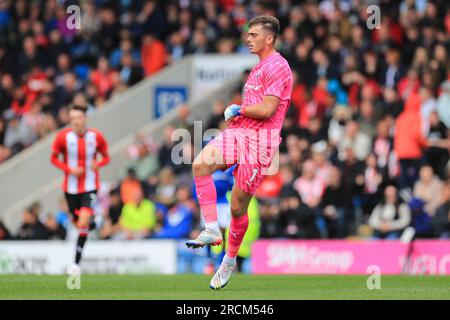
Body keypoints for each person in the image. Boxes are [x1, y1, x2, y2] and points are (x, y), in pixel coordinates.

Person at [186, 16, 293, 290]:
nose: (248, 38)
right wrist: (238, 117)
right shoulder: (257, 68)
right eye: (248, 34)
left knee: (237, 208)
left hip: (260, 144)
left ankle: (229, 260)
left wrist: (238, 109)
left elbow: (268, 109)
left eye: (254, 34)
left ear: (269, 38)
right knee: (200, 165)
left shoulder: (278, 66)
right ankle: (211, 228)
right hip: (239, 134)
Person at [50, 104, 109, 274]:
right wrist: (70, 170)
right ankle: (95, 223)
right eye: (73, 118)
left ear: (85, 118)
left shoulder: (96, 136)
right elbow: (53, 158)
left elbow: (106, 157)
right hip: (70, 188)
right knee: (80, 226)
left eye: (79, 117)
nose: (76, 121)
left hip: (90, 186)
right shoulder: (63, 137)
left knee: (82, 222)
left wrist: (98, 164)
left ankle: (75, 264)